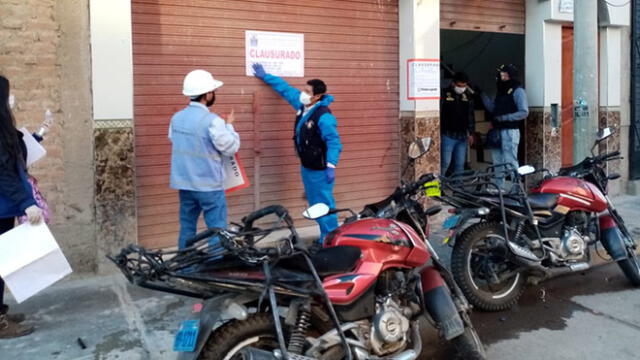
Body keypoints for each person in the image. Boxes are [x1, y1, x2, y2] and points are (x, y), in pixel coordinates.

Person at [252, 63, 342, 252]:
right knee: (314, 203)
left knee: (323, 204)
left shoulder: (323, 116)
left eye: (307, 91)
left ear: (317, 96)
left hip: (320, 169)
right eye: (303, 89)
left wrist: (331, 165)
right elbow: (285, 89)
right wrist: (265, 75)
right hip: (307, 166)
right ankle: (324, 236)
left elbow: (334, 142)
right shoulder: (303, 106)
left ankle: (331, 240)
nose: (303, 92)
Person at [169, 70, 240, 249]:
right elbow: (230, 147)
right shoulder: (212, 121)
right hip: (209, 186)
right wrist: (229, 126)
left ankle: (184, 267)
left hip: (185, 184)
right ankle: (214, 268)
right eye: (213, 91)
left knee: (187, 228)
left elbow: (174, 139)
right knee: (217, 229)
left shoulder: (176, 118)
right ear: (207, 94)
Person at [0, 75, 43, 338]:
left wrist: (37, 135)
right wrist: (27, 203)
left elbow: (15, 150)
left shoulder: (4, 129)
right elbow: (2, 172)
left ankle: (0, 312)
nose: (10, 101)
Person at [480, 64, 529, 187]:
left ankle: (516, 190)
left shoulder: (518, 91)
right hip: (497, 131)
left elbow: (524, 112)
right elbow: (493, 108)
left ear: (509, 75)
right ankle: (499, 188)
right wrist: (482, 95)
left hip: (510, 131)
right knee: (497, 162)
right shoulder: (501, 91)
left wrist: (504, 118)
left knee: (510, 162)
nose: (500, 76)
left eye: (503, 73)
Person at [440, 72, 475, 175]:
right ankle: (440, 187)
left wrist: (471, 133)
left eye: (464, 86)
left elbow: (470, 115)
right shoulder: (444, 94)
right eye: (459, 86)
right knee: (445, 163)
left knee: (460, 164)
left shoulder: (467, 96)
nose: (462, 88)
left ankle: (458, 188)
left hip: (462, 136)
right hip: (448, 135)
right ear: (453, 83)